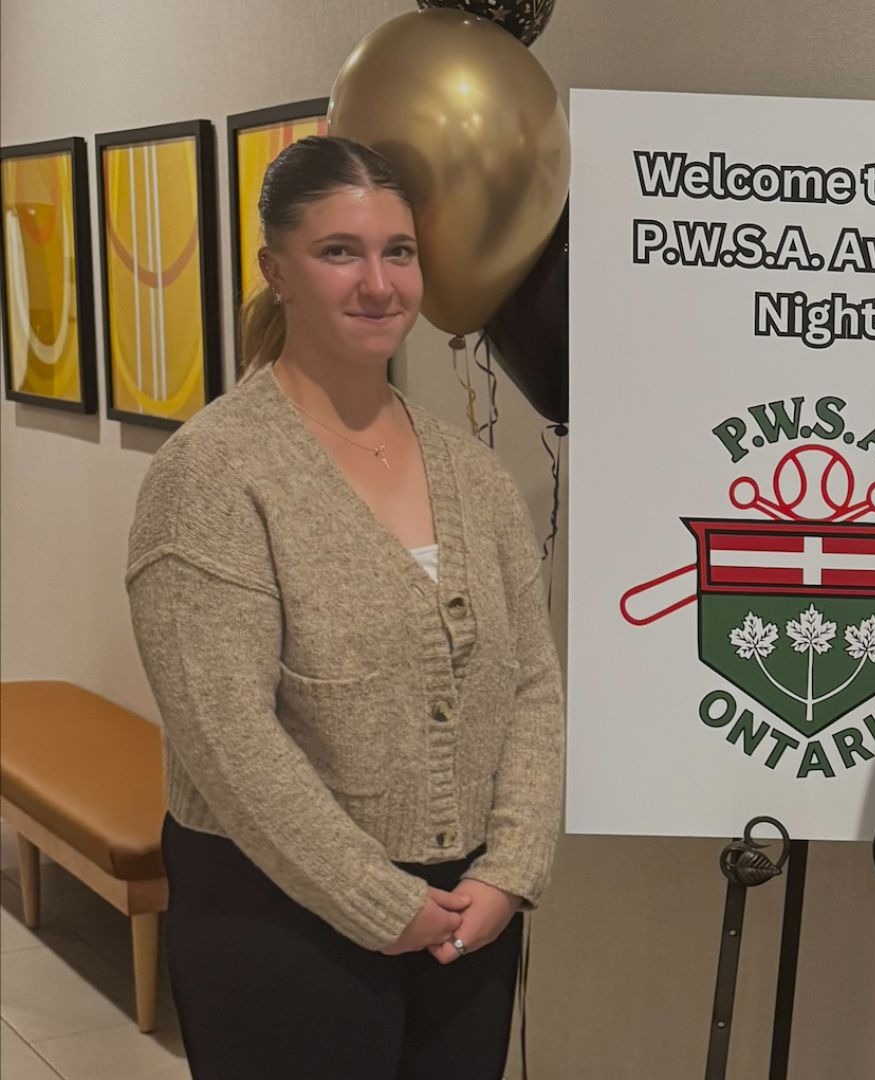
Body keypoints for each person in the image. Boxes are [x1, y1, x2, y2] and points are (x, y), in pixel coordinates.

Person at [125, 135, 563, 1078]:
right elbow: (226, 738)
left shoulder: (473, 474)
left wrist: (510, 869)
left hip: (467, 920)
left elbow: (532, 684)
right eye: (340, 252)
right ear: (275, 269)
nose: (379, 283)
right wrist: (375, 897)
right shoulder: (212, 474)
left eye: (398, 251)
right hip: (275, 914)